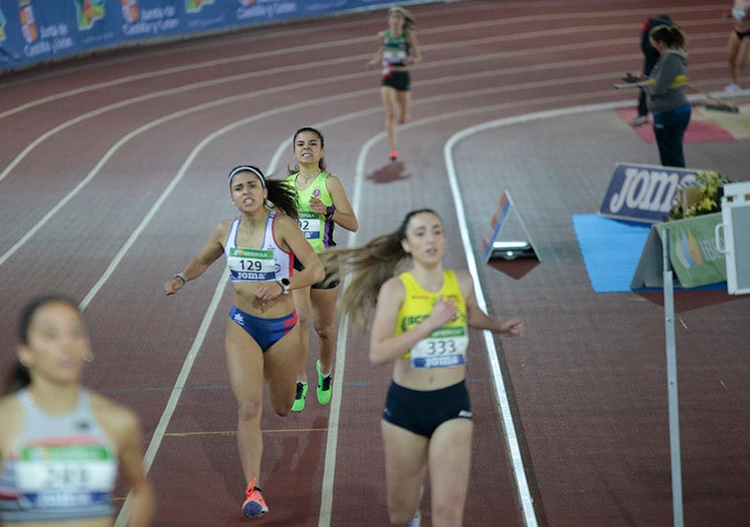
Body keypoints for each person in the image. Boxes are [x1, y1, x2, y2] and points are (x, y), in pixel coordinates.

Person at [321, 209, 523, 527]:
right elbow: (378, 353)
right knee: (399, 514)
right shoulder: (396, 290)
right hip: (406, 408)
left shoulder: (462, 282)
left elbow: (470, 315)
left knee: (447, 513)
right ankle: (411, 514)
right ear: (406, 245)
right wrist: (430, 323)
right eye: (420, 233)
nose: (430, 238)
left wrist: (498, 327)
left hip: (452, 405)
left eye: (436, 231)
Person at [0, 294, 155, 526]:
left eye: (75, 333)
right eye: (50, 334)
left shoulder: (117, 422)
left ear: (87, 346)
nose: (65, 344)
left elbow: (142, 491)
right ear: (25, 352)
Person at [163, 165, 325, 518]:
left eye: (253, 185)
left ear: (265, 192)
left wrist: (283, 283)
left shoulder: (281, 226)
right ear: (232, 197)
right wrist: (181, 278)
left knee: (282, 407)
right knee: (249, 407)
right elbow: (203, 259)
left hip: (282, 328)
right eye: (239, 188)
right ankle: (253, 489)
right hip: (243, 326)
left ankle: (284, 377)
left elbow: (315, 269)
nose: (246, 191)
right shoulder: (226, 230)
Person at [285, 127, 359, 412]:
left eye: (312, 144)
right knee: (300, 321)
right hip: (298, 264)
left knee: (324, 329)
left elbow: (352, 223)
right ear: (294, 151)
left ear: (322, 151)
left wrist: (326, 211)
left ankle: (324, 373)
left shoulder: (330, 183)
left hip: (326, 262)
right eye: (301, 144)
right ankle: (300, 381)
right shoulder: (286, 187)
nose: (306, 148)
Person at [629, 24, 691, 168]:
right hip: (670, 112)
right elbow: (660, 81)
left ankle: (677, 187)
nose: (650, 46)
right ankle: (677, 185)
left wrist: (644, 84)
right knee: (672, 155)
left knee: (671, 158)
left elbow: (658, 89)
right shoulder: (668, 57)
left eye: (652, 42)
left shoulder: (670, 58)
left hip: (670, 113)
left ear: (660, 43)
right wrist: (645, 80)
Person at [366, 6, 421, 162]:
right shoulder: (384, 35)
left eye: (399, 18)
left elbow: (418, 57)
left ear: (403, 21)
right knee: (390, 113)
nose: (396, 20)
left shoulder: (408, 36)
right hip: (388, 75)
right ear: (389, 20)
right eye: (394, 17)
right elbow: (383, 50)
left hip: (402, 76)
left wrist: (412, 60)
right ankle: (393, 150)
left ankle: (404, 114)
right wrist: (374, 61)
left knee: (402, 118)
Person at [628, 14, 676, 127]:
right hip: (663, 57)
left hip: (650, 56)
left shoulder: (649, 24)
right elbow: (676, 45)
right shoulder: (671, 27)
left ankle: (642, 114)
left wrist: (649, 56)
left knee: (647, 86)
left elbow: (643, 41)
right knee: (668, 85)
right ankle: (668, 112)